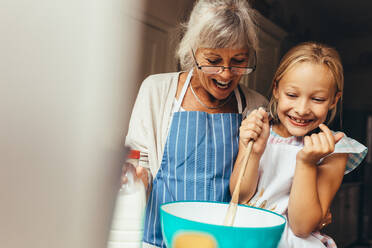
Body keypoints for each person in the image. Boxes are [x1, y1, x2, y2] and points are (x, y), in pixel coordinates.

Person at [124, 0, 267, 247]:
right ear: (192, 51)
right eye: (213, 60)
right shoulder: (157, 90)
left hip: (222, 242)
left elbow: (253, 191)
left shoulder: (255, 107)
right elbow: (141, 163)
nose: (225, 74)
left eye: (238, 61)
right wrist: (133, 179)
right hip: (158, 239)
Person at [230, 41, 368, 247]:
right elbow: (239, 197)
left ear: (334, 100)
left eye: (318, 99)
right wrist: (255, 152)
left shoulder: (336, 149)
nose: (302, 109)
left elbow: (302, 226)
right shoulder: (258, 127)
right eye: (292, 95)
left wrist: (306, 162)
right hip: (246, 238)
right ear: (276, 89)